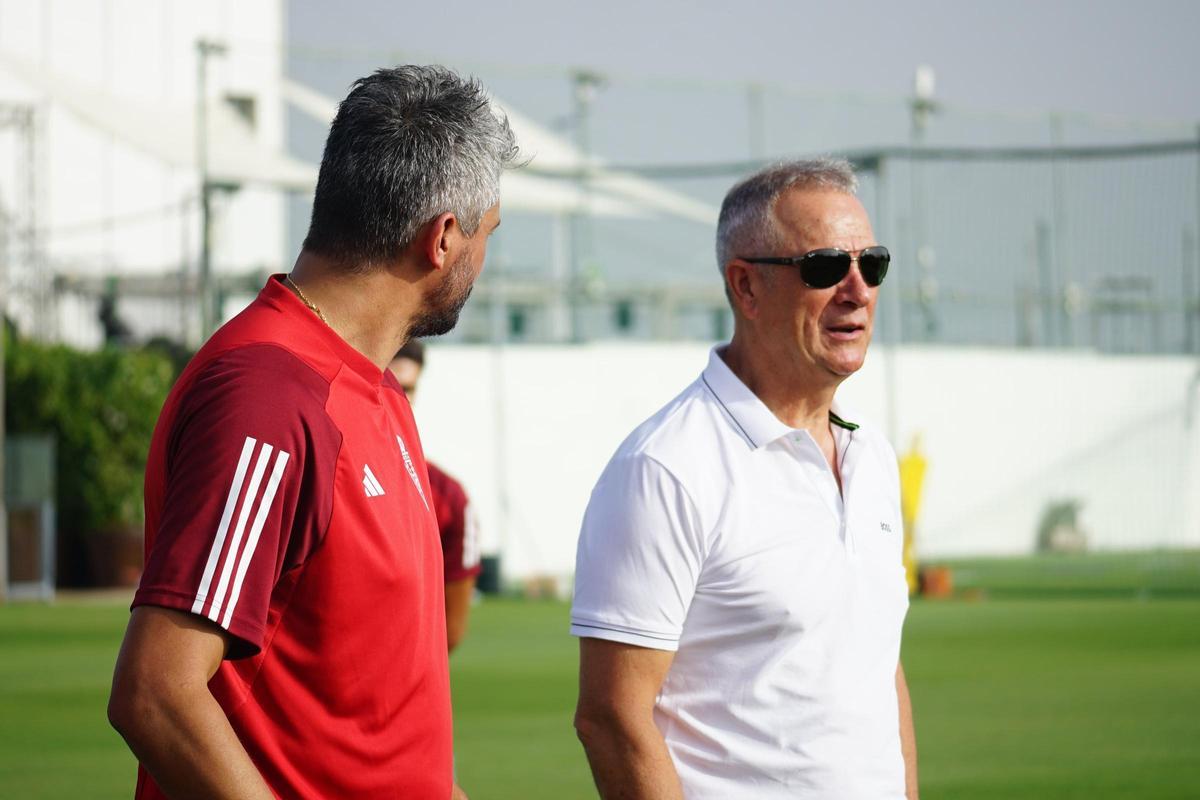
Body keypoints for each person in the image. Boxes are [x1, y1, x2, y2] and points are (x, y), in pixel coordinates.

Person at [107, 65, 517, 800]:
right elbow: (157, 693)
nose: (488, 256)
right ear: (444, 238)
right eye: (490, 231)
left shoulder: (377, 393)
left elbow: (380, 714)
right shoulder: (270, 398)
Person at [571, 158, 918, 799]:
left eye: (872, 265)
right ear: (747, 287)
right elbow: (612, 719)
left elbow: (878, 667)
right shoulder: (666, 468)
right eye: (824, 266)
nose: (857, 290)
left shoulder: (873, 459)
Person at [389, 338, 483, 652]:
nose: (398, 398)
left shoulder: (448, 498)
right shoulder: (320, 468)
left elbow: (449, 633)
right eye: (386, 384)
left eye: (408, 388)